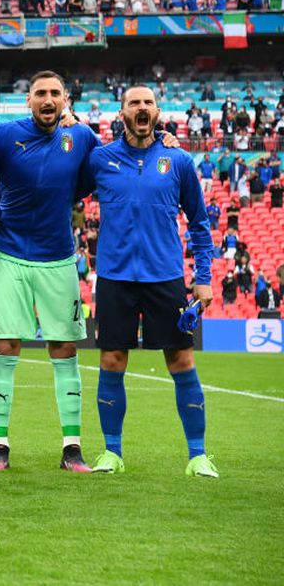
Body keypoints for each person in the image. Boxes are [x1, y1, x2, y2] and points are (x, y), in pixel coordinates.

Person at [84, 85, 218, 478]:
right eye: (134, 103)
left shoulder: (177, 160)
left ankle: (198, 455)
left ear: (157, 111)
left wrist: (204, 277)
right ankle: (112, 453)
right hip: (114, 276)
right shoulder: (100, 159)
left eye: (148, 103)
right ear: (121, 112)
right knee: (112, 360)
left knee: (181, 360)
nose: (141, 108)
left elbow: (199, 222)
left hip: (166, 278)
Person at [0, 72, 100, 473]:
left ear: (66, 100)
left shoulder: (81, 139)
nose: (47, 99)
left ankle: (72, 449)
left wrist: (164, 139)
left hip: (59, 259)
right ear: (28, 100)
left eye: (54, 94)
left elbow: (109, 168)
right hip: (8, 255)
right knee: (5, 346)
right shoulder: (2, 135)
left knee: (64, 348)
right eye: (39, 93)